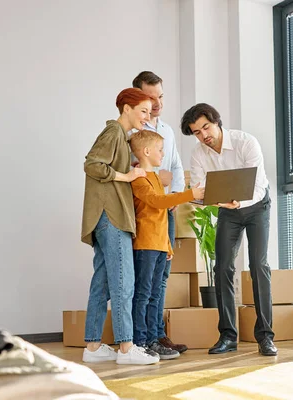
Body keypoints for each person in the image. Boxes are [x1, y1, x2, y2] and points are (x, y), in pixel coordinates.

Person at [180, 103, 277, 356]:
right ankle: (228, 336)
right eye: (197, 132)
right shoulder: (199, 154)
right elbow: (202, 189)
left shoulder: (246, 143)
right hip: (227, 209)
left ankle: (265, 337)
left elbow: (256, 186)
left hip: (257, 205)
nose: (204, 135)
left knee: (258, 265)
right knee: (222, 266)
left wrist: (238, 202)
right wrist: (205, 199)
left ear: (216, 122)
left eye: (206, 127)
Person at [81, 88, 159, 365]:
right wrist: (125, 175)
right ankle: (126, 348)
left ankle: (92, 347)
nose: (147, 117)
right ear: (126, 108)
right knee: (124, 282)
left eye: (150, 113)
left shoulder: (121, 139)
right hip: (111, 215)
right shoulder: (113, 132)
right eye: (143, 111)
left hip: (105, 217)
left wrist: (128, 170)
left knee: (102, 284)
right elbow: (92, 165)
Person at [128, 130, 204, 360]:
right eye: (160, 150)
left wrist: (168, 247)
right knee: (142, 294)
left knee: (153, 295)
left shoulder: (155, 179)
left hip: (159, 245)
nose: (163, 154)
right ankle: (139, 342)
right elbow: (157, 202)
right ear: (147, 151)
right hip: (145, 245)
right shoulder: (139, 179)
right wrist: (190, 193)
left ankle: (153, 339)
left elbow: (161, 218)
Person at [131, 71, 188, 354]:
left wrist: (174, 195)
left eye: (160, 96)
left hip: (168, 210)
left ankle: (157, 334)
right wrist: (159, 182)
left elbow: (175, 167)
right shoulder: (132, 133)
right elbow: (136, 173)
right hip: (145, 215)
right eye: (151, 98)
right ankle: (144, 339)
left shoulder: (167, 131)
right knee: (144, 282)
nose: (157, 103)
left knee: (162, 277)